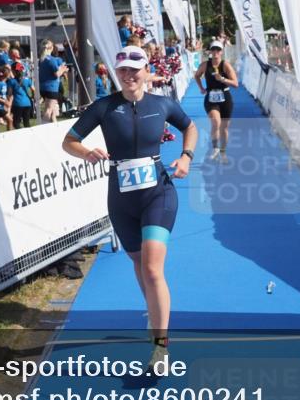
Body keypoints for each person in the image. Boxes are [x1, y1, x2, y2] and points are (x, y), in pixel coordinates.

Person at [62, 45, 198, 371]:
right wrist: (86, 152)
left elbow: (190, 127)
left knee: (152, 268)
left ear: (147, 71)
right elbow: (69, 141)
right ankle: (153, 312)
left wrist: (187, 156)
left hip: (158, 194)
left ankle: (161, 347)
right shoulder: (104, 107)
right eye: (122, 69)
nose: (128, 75)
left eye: (135, 68)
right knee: (139, 265)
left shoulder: (162, 104)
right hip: (121, 200)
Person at [193, 41, 238, 162]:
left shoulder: (226, 65)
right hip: (211, 98)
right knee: (216, 123)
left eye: (218, 50)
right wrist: (201, 88)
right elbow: (196, 75)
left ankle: (223, 152)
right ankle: (215, 148)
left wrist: (223, 79)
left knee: (224, 128)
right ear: (210, 52)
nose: (215, 52)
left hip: (225, 98)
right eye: (213, 50)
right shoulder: (205, 65)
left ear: (222, 52)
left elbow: (235, 84)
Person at [38, 40, 68, 122]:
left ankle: (55, 129)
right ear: (51, 48)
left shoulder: (41, 59)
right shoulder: (51, 60)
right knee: (49, 110)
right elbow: (57, 74)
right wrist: (63, 69)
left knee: (53, 112)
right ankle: (42, 129)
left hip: (43, 88)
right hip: (51, 88)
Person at [8, 63, 35, 129]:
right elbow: (33, 89)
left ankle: (20, 136)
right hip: (27, 103)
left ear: (13, 71)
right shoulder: (27, 79)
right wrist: (32, 96)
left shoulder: (11, 81)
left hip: (17, 103)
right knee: (26, 122)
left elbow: (9, 94)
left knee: (16, 123)